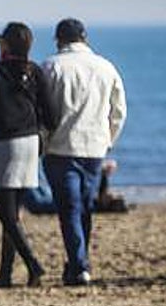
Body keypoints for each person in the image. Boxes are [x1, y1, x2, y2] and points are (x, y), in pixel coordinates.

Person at [0, 23, 60, 288]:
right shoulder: (35, 72)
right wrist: (40, 134)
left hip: (2, 143)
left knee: (5, 213)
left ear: (6, 45)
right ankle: (5, 274)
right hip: (30, 142)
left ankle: (34, 264)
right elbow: (51, 114)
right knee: (14, 212)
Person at [41, 19, 128, 286]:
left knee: (69, 208)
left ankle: (79, 265)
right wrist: (108, 140)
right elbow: (119, 111)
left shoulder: (50, 66)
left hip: (60, 148)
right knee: (84, 207)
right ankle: (79, 262)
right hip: (93, 147)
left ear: (58, 39)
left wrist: (43, 143)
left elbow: (42, 112)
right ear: (85, 38)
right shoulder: (106, 67)